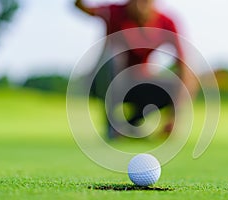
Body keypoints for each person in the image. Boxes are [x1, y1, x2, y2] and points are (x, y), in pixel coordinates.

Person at [75, 0, 197, 138]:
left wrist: (174, 118)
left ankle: (130, 125)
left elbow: (184, 68)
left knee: (184, 83)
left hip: (141, 84)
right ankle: (112, 125)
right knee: (112, 59)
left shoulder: (166, 22)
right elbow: (80, 6)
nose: (140, 5)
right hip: (111, 82)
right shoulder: (114, 12)